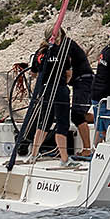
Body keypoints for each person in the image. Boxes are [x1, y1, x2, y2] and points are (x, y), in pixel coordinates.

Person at [26, 39, 73, 167]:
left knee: (44, 122)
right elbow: (68, 73)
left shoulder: (39, 53)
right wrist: (62, 83)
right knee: (62, 123)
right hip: (60, 89)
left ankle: (34, 154)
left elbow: (33, 73)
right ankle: (64, 159)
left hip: (45, 89)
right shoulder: (62, 52)